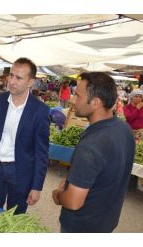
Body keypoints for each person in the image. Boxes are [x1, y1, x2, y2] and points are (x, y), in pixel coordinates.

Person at [52, 72, 135, 233]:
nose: (72, 100)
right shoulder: (124, 129)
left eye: (78, 95)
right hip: (106, 222)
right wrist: (73, 182)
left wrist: (58, 195)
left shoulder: (91, 145)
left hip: (81, 227)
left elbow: (73, 202)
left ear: (95, 102)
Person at [0, 57, 50, 214]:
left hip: (21, 172)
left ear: (30, 82)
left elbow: (41, 152)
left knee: (15, 217)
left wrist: (36, 186)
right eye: (11, 75)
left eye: (19, 78)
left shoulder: (40, 110)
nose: (12, 81)